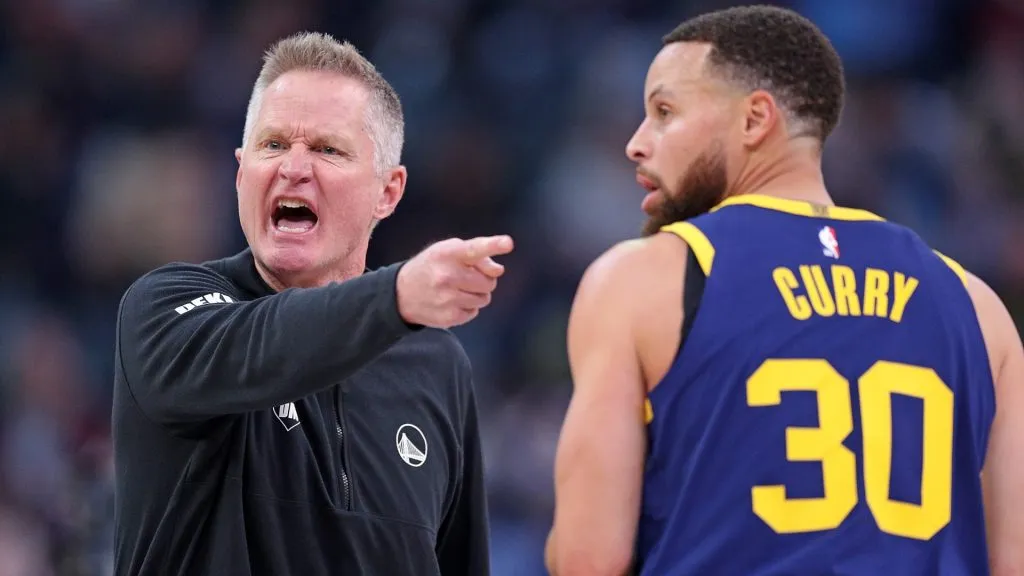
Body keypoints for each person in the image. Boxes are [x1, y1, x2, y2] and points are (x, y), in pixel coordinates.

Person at [545, 5, 1024, 576]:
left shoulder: (642, 279)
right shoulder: (977, 304)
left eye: (664, 112)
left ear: (754, 120)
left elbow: (588, 558)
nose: (636, 143)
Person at [112, 31, 508, 576]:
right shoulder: (163, 309)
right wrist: (394, 296)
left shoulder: (437, 366)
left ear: (388, 192)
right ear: (240, 171)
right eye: (272, 145)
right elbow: (260, 344)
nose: (293, 167)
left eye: (327, 149)